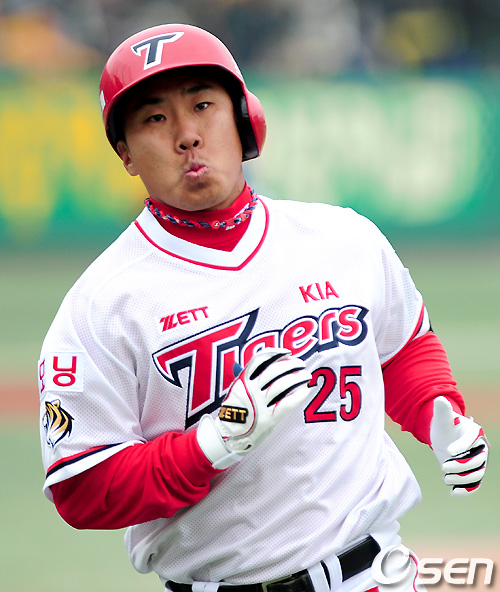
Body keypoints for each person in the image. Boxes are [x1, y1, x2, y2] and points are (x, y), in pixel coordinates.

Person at [38, 23, 490, 592]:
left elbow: (402, 347)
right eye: (154, 118)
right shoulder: (101, 305)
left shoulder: (342, 238)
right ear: (125, 152)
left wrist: (436, 410)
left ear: (244, 118)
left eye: (203, 106)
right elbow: (81, 488)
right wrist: (212, 444)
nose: (187, 135)